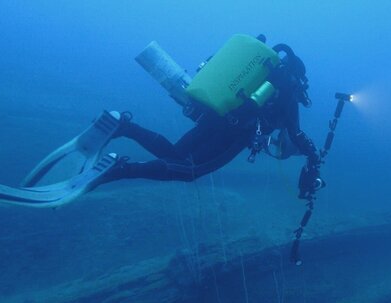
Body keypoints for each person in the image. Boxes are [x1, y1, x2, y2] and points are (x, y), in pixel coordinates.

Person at [101, 40, 323, 199]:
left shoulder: (261, 76)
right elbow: (296, 133)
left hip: (215, 116)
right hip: (234, 133)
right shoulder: (285, 91)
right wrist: (313, 155)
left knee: (174, 155)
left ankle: (123, 126)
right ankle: (120, 170)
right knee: (189, 171)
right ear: (296, 76)